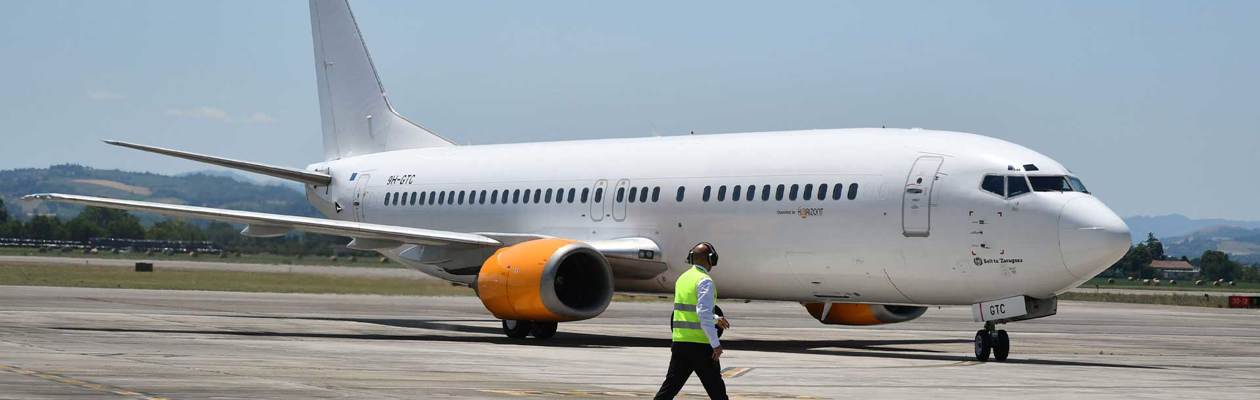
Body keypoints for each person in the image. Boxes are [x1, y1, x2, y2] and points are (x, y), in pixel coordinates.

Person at [655, 242, 730, 400]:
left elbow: (692, 311)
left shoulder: (682, 279)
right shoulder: (705, 281)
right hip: (701, 347)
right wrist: (715, 344)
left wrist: (716, 319)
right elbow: (702, 312)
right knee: (717, 392)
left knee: (668, 389)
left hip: (680, 343)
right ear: (711, 259)